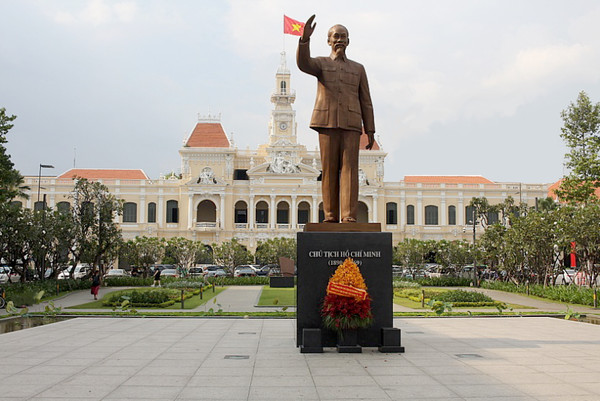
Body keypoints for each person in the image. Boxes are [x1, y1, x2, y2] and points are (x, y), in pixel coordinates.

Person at [297, 14, 375, 223]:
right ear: (329, 41)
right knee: (329, 170)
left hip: (351, 123)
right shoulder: (321, 64)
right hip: (326, 122)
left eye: (343, 37)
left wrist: (370, 130)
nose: (340, 40)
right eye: (336, 37)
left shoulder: (358, 68)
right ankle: (330, 215)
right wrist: (304, 41)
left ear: (348, 41)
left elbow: (366, 100)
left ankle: (349, 215)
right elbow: (303, 64)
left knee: (350, 170)